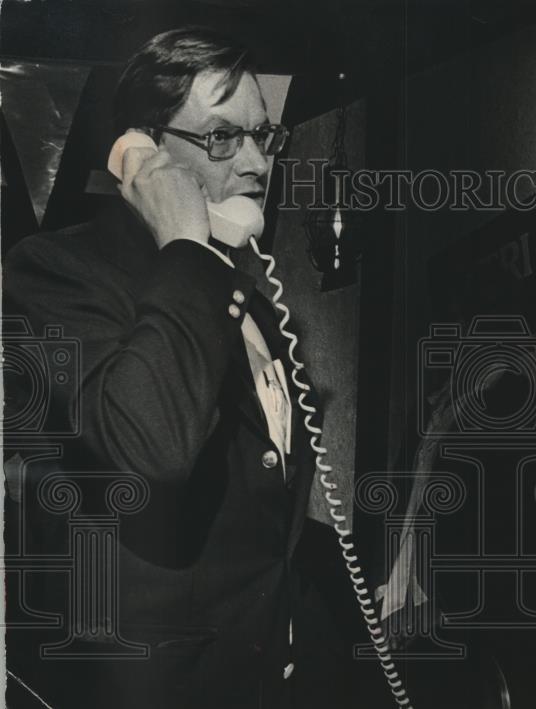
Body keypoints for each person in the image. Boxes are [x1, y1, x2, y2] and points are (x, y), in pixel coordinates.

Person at [3, 27, 361, 708]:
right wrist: (187, 248)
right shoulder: (53, 272)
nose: (257, 162)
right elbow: (152, 446)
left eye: (265, 136)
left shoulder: (247, 298)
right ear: (143, 153)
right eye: (223, 137)